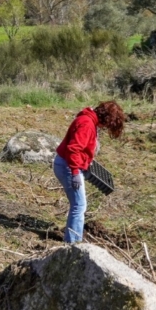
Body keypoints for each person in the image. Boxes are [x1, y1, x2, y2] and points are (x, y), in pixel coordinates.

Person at [53, 101, 126, 243]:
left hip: (68, 164)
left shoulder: (89, 120)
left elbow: (82, 148)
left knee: (79, 205)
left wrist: (86, 161)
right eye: (108, 125)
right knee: (79, 205)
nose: (105, 128)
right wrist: (75, 172)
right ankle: (73, 243)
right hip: (68, 166)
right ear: (106, 119)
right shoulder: (87, 124)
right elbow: (73, 149)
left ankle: (73, 239)